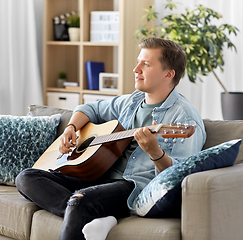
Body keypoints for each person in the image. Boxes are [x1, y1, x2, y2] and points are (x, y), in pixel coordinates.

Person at [16, 37, 206, 240]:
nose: (136, 69)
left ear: (168, 74)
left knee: (80, 201)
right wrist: (71, 127)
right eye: (138, 61)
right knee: (26, 178)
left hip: (133, 185)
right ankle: (95, 216)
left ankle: (84, 209)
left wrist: (155, 153)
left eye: (146, 64)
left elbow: (178, 180)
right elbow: (89, 108)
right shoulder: (132, 100)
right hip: (98, 175)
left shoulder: (184, 119)